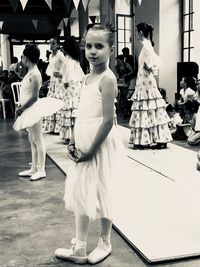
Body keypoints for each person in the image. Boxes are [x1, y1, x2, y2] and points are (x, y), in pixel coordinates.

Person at [55, 24, 125, 264]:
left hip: (100, 144)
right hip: (83, 142)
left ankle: (105, 241)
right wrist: (74, 139)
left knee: (104, 190)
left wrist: (92, 150)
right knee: (81, 192)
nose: (92, 51)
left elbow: (107, 121)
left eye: (99, 46)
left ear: (111, 49)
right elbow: (82, 112)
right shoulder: (86, 78)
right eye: (88, 46)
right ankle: (80, 247)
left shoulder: (108, 79)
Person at [129, 22, 172, 149]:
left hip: (145, 82)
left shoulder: (146, 45)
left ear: (140, 32)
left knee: (146, 109)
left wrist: (150, 67)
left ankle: (146, 140)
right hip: (145, 81)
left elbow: (155, 62)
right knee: (150, 109)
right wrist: (150, 67)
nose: (136, 34)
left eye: (137, 32)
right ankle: (157, 139)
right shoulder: (147, 45)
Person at [13, 44, 46, 181]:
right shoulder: (30, 72)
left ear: (26, 58)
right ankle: (34, 167)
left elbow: (34, 97)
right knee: (31, 139)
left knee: (38, 139)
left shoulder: (36, 74)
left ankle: (41, 169)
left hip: (33, 109)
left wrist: (21, 108)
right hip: (28, 109)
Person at [58, 36, 85, 143]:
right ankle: (76, 134)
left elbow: (67, 74)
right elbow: (80, 74)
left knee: (69, 109)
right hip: (77, 85)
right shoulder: (75, 59)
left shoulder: (68, 60)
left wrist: (64, 82)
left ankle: (70, 135)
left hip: (70, 86)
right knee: (75, 109)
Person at [43, 37, 65, 133]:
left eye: (53, 43)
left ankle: (59, 127)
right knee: (51, 100)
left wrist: (61, 74)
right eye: (50, 43)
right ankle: (52, 127)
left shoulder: (60, 55)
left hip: (59, 81)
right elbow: (51, 70)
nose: (51, 45)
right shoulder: (51, 56)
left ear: (58, 45)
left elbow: (67, 66)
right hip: (53, 81)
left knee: (58, 99)